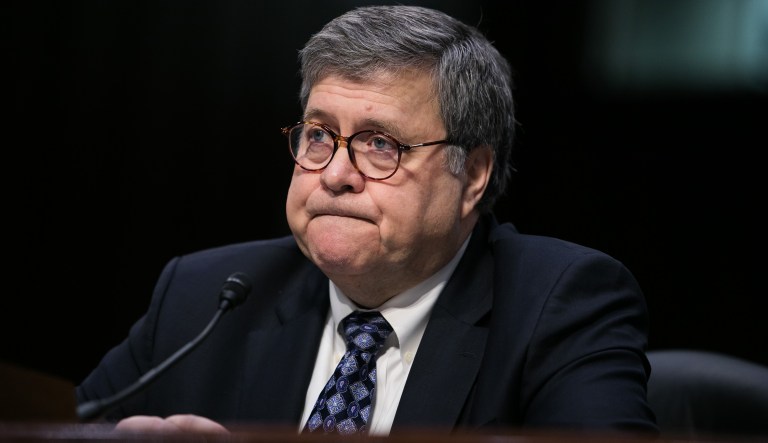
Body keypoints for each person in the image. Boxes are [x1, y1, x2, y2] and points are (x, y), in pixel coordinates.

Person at [75, 4, 659, 437]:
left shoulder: (561, 305)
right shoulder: (204, 296)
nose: (334, 174)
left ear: (473, 175)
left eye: (380, 143)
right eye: (319, 135)